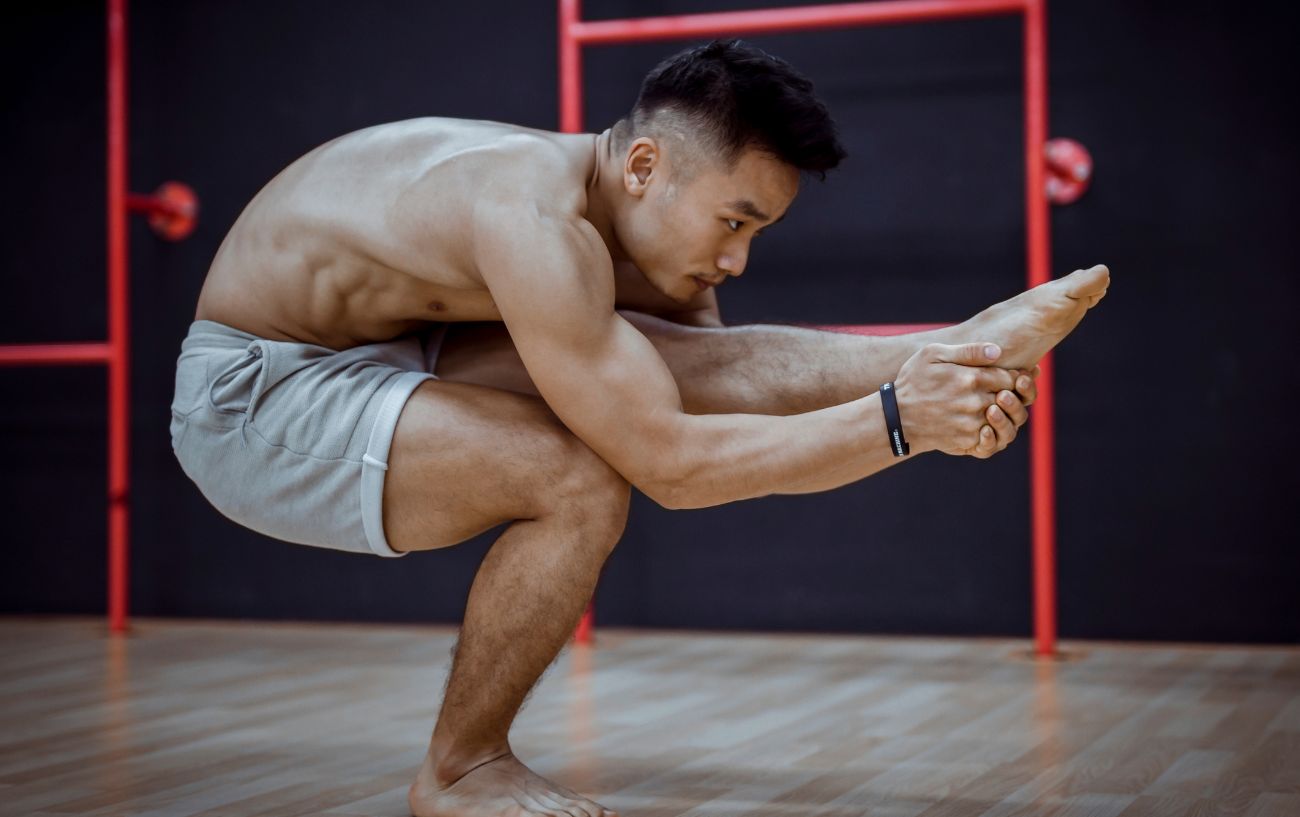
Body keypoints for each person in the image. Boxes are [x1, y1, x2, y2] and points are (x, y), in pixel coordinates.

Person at [169, 39, 1108, 817]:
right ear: (646, 166)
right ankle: (460, 770)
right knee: (575, 479)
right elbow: (672, 466)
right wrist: (905, 423)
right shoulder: (533, 218)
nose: (738, 258)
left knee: (670, 374)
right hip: (253, 395)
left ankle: (963, 335)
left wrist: (943, 375)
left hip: (392, 348)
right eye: (733, 221)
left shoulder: (610, 214)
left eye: (758, 234)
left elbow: (711, 380)